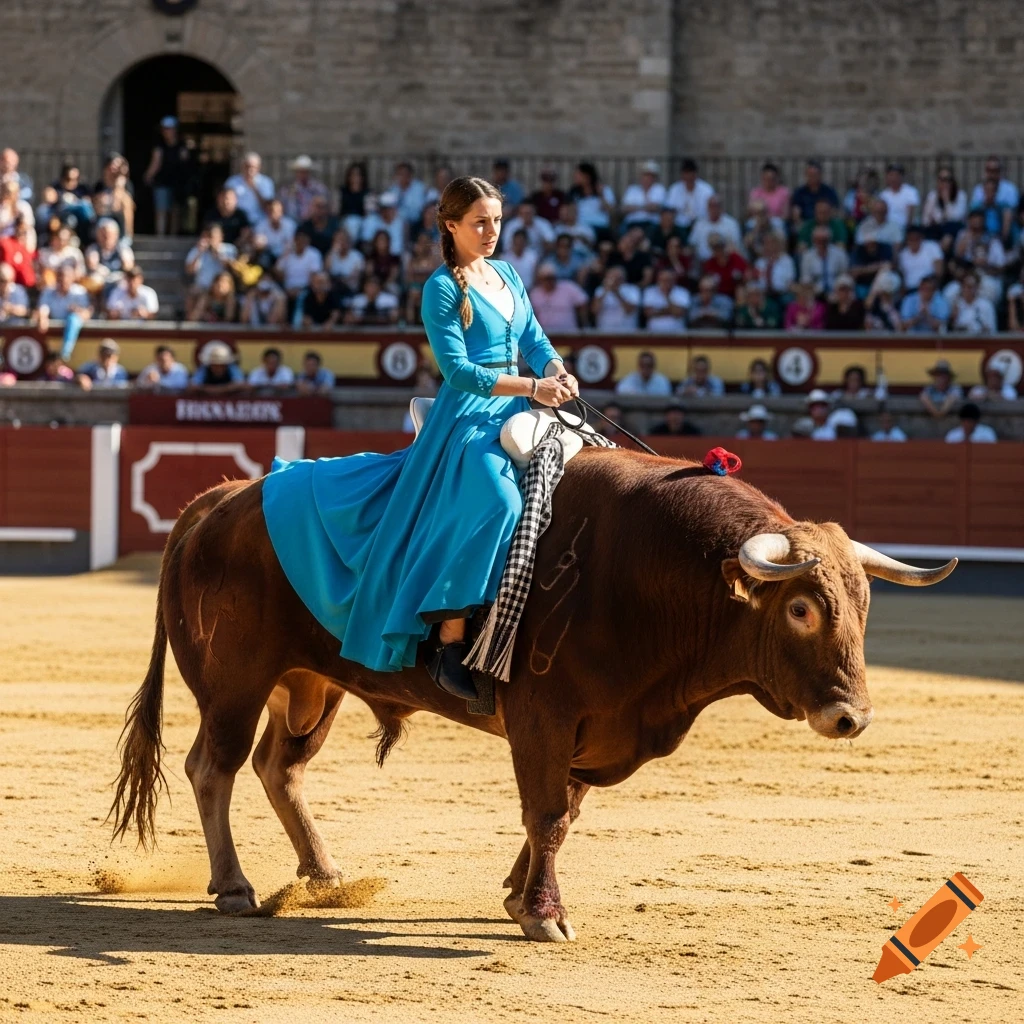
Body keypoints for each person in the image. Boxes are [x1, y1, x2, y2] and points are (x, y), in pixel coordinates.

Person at [262, 176, 578, 701]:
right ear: (451, 225)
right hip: (468, 418)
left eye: (497, 220)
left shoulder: (507, 274)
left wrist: (557, 370)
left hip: (522, 404)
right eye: (479, 221)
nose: (491, 230)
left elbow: (535, 338)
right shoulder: (441, 287)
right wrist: (534, 386)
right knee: (499, 503)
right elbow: (456, 371)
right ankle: (451, 640)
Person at [142, 116, 191, 237]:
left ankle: (173, 236)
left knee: (175, 211)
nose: (166, 132)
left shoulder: (182, 145)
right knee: (161, 210)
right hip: (162, 182)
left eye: (169, 129)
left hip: (178, 182)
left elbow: (186, 163)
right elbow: (156, 163)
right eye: (165, 129)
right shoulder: (159, 145)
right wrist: (148, 176)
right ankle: (161, 236)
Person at [528, 262, 589, 333]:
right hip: (546, 335)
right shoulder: (535, 293)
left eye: (551, 278)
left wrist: (583, 325)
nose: (549, 281)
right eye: (546, 279)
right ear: (540, 279)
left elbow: (583, 302)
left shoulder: (568, 287)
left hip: (569, 334)